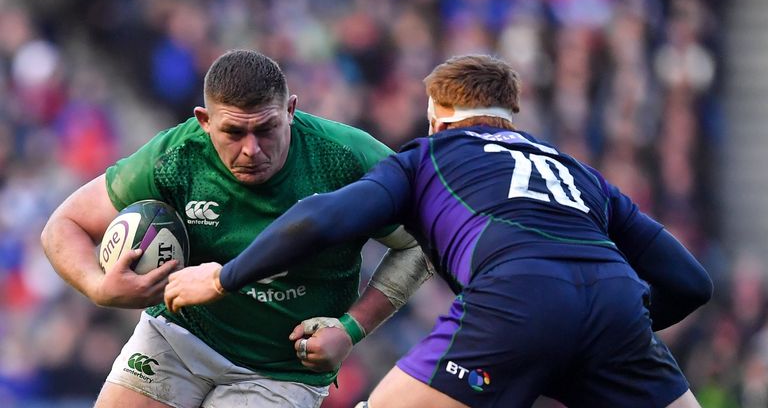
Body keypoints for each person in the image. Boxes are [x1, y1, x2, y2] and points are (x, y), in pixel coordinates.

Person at [164, 54, 713, 408]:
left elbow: (320, 217)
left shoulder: (427, 156)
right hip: (618, 305)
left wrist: (221, 279)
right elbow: (692, 283)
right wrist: (594, 337)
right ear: (509, 117)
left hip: (515, 295)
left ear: (437, 112)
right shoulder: (577, 172)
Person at [40, 49, 430, 407]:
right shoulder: (176, 157)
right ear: (204, 121)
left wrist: (352, 328)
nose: (251, 149)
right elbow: (65, 224)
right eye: (234, 133)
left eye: (266, 129)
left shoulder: (347, 158)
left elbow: (421, 243)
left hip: (282, 369)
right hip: (179, 335)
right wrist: (97, 286)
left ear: (291, 110)